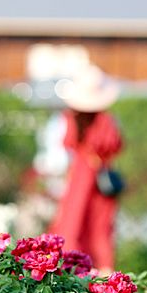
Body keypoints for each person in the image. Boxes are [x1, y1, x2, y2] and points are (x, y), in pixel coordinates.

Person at [48, 65, 123, 274]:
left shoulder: (72, 118)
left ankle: (70, 266)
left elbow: (67, 143)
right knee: (100, 226)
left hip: (79, 174)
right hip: (99, 174)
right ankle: (103, 270)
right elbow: (115, 145)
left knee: (72, 220)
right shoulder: (105, 120)